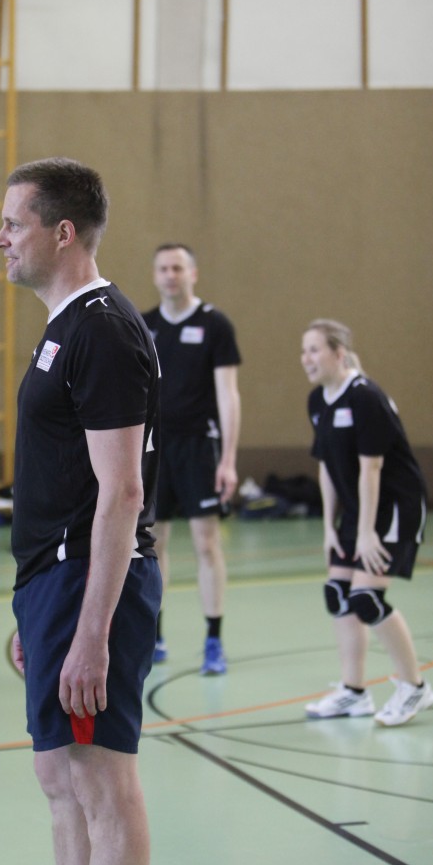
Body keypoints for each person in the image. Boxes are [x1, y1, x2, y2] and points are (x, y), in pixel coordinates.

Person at [0, 158, 161, 865]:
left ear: (61, 231)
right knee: (59, 773)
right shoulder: (66, 329)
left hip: (93, 584)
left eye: (13, 223)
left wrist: (90, 633)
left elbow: (121, 494)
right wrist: (34, 610)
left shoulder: (105, 332)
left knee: (102, 781)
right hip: (53, 581)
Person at [301, 319, 433, 726]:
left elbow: (372, 468)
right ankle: (353, 692)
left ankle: (414, 687)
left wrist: (365, 533)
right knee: (338, 594)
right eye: (303, 351)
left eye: (314, 350)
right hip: (358, 509)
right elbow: (327, 468)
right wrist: (329, 526)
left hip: (394, 507)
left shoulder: (365, 397)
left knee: (366, 599)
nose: (306, 358)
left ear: (338, 353)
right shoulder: (318, 401)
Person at [142, 243, 241, 672]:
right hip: (155, 449)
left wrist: (228, 459)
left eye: (178, 268)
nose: (171, 275)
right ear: (155, 275)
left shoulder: (215, 324)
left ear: (193, 274)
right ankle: (155, 635)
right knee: (153, 544)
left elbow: (229, 395)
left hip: (200, 447)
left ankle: (213, 640)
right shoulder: (144, 325)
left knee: (206, 543)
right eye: (164, 268)